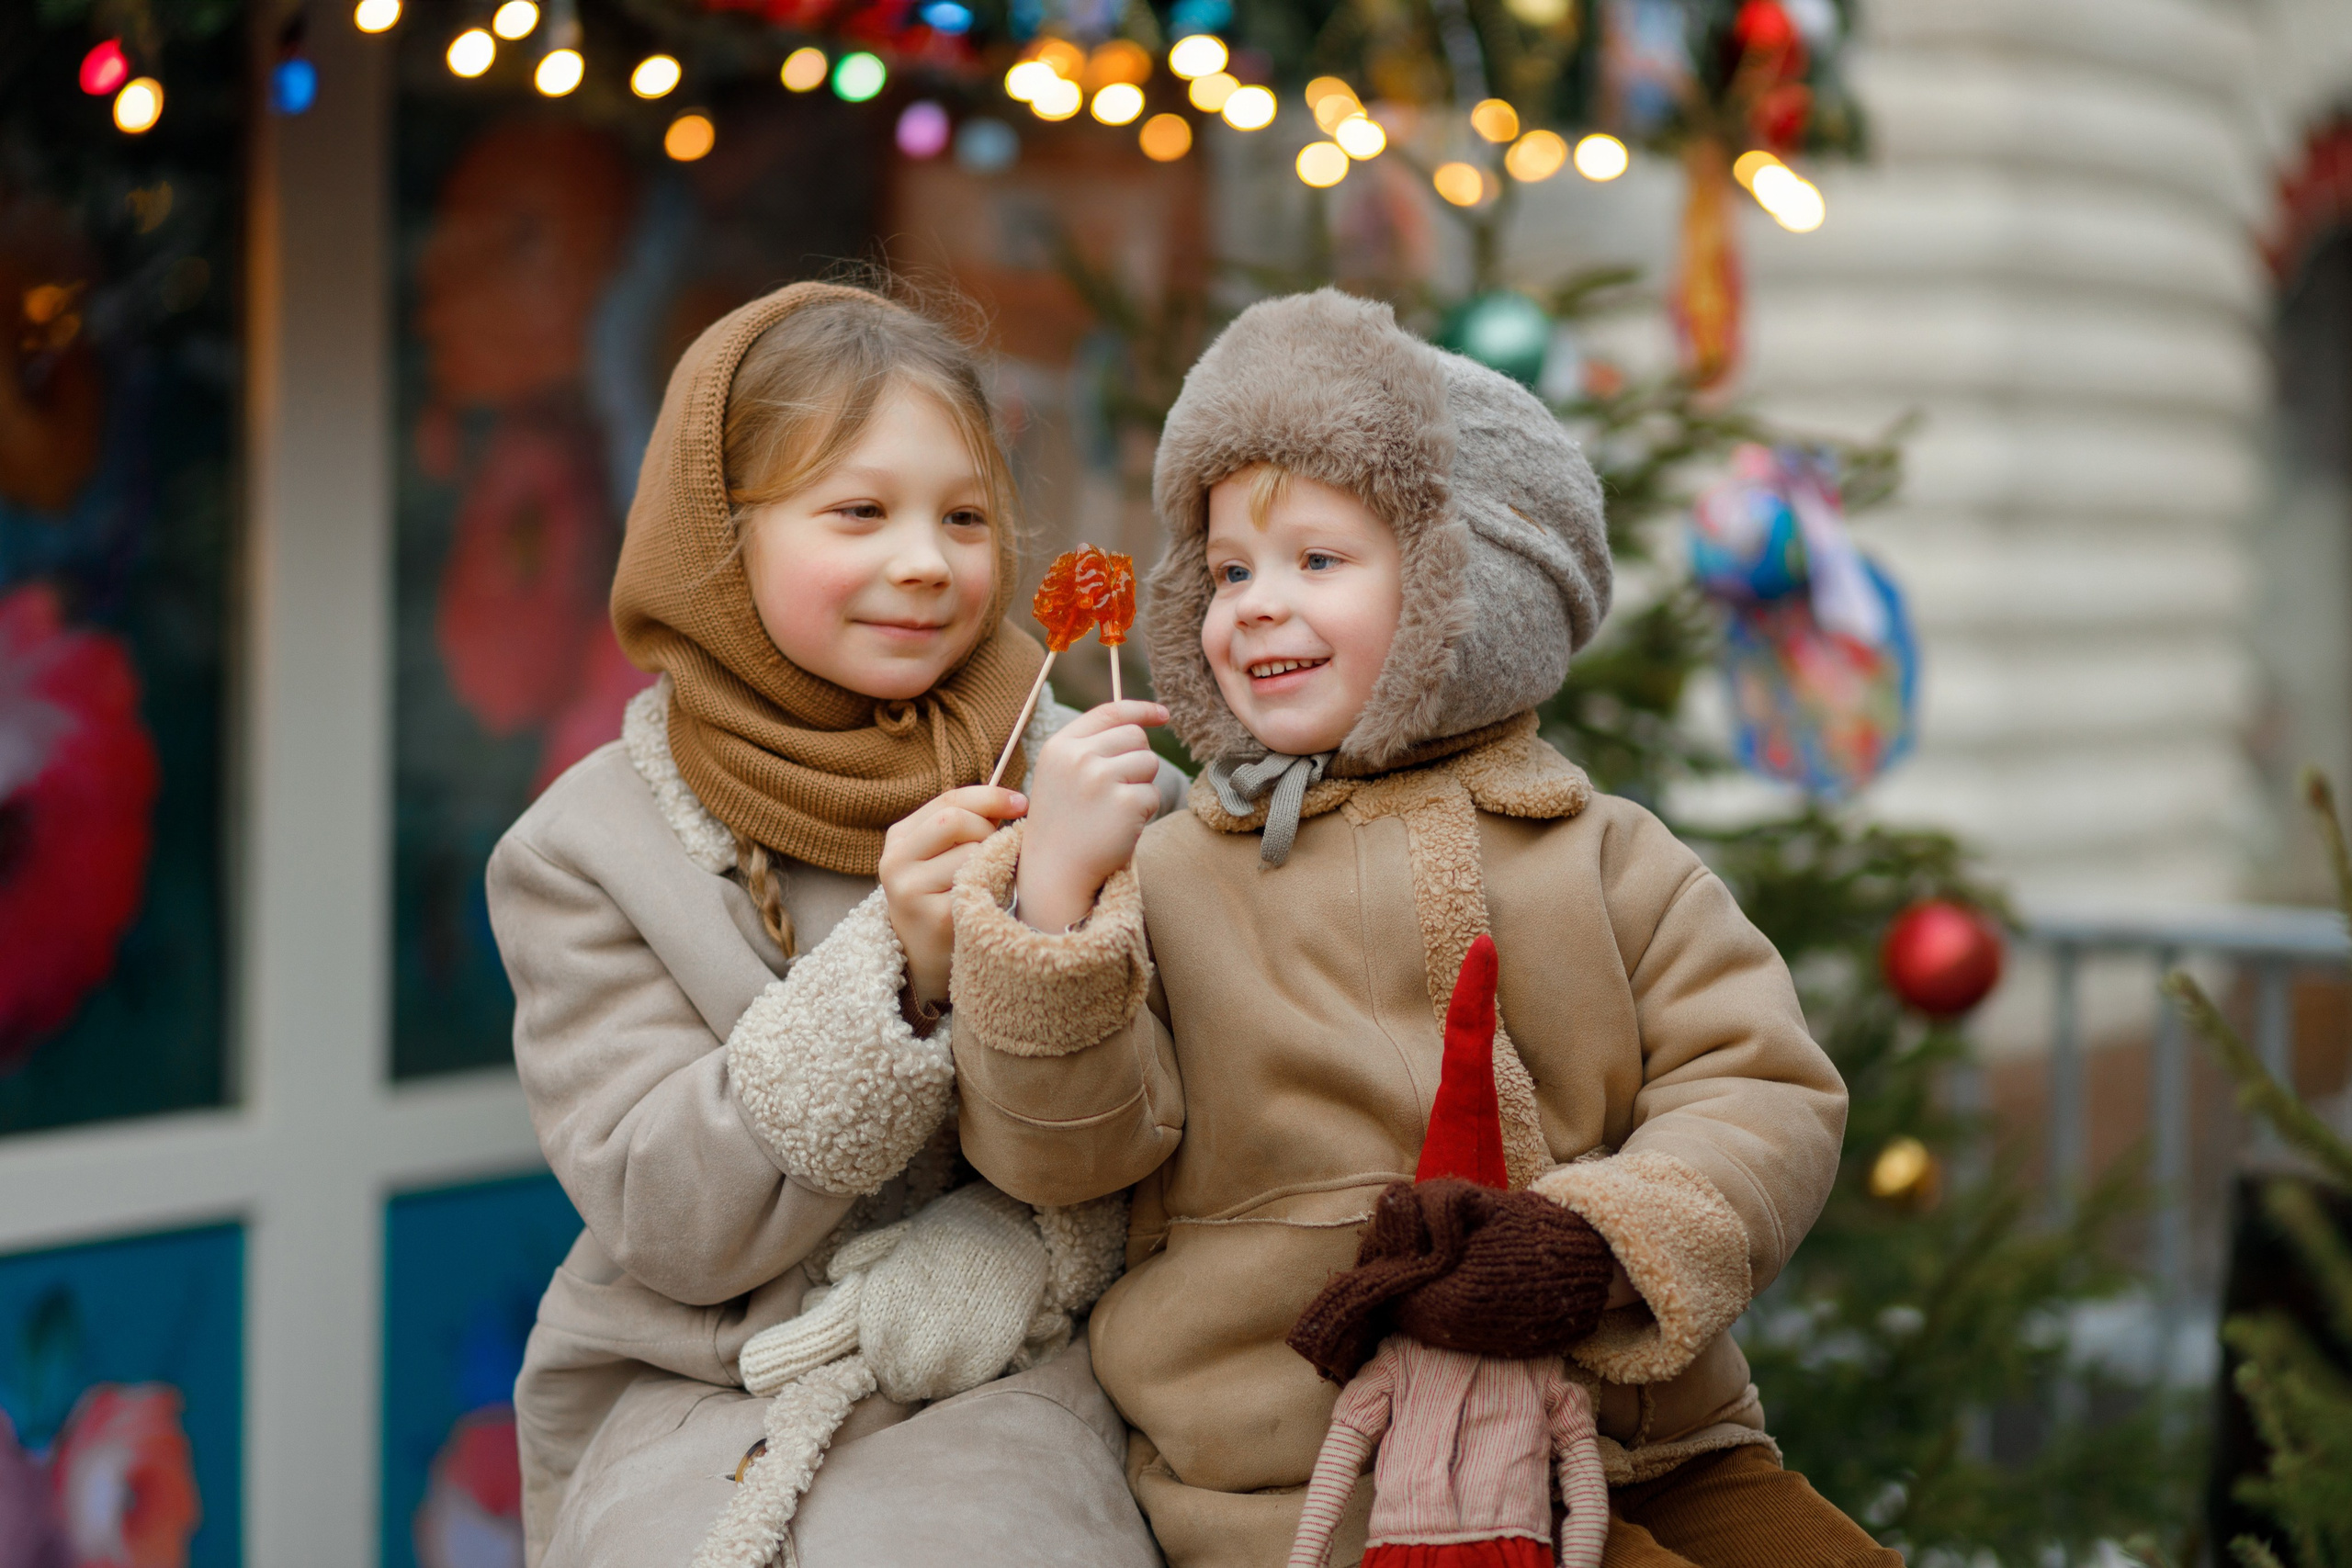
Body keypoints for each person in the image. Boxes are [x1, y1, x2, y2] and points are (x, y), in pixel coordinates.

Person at [946, 288, 1901, 1567]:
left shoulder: (1599, 848)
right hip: (1322, 1475)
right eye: (1228, 571)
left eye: (1318, 562)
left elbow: (1763, 1087)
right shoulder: (1169, 878)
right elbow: (1065, 1154)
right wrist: (1053, 912)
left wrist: (1598, 1244)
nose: (1254, 607)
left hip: (1650, 1436)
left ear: (1472, 583)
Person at [486, 279, 1181, 1568]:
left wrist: (1051, 918)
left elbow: (1146, 1158)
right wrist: (896, 974)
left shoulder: (1091, 789)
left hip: (1025, 1365)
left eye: (966, 517)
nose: (924, 560)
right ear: (719, 540)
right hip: (701, 1385)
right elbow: (666, 1221)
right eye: (857, 511)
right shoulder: (588, 849)